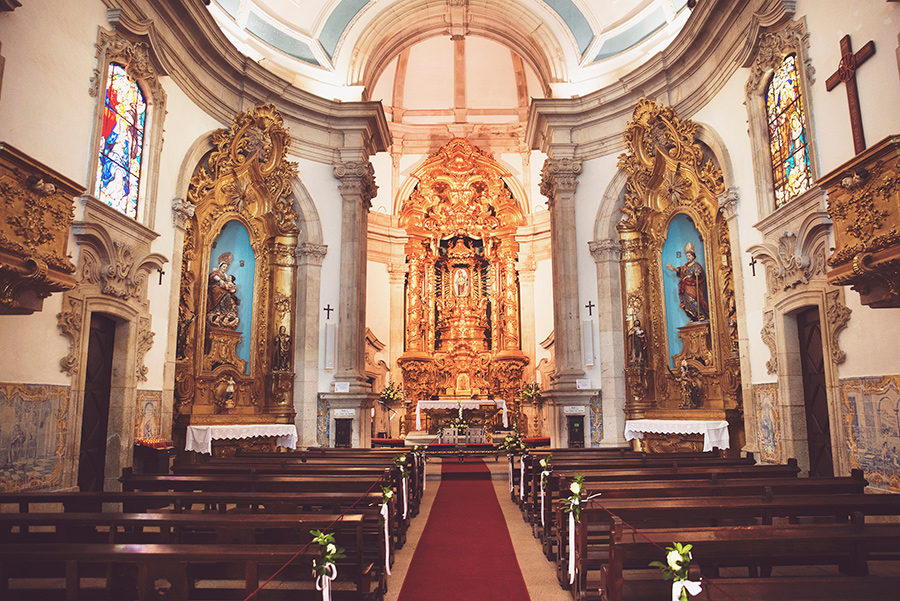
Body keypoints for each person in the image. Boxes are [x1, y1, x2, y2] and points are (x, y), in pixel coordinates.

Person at [666, 242, 709, 321]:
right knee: (686, 302)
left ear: (693, 256)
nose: (688, 257)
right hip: (685, 286)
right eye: (687, 256)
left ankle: (701, 314)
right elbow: (681, 270)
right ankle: (693, 316)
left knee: (692, 300)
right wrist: (674, 269)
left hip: (692, 286)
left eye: (689, 256)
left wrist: (697, 274)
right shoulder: (686, 266)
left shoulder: (696, 265)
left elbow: (700, 274)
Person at [207, 252, 240, 328]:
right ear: (220, 267)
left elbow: (227, 282)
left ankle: (224, 312)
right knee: (222, 293)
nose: (224, 268)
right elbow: (212, 276)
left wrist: (228, 285)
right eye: (223, 267)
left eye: (225, 267)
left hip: (222, 289)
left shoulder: (225, 275)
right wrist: (219, 280)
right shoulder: (216, 272)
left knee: (227, 295)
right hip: (215, 288)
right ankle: (216, 310)